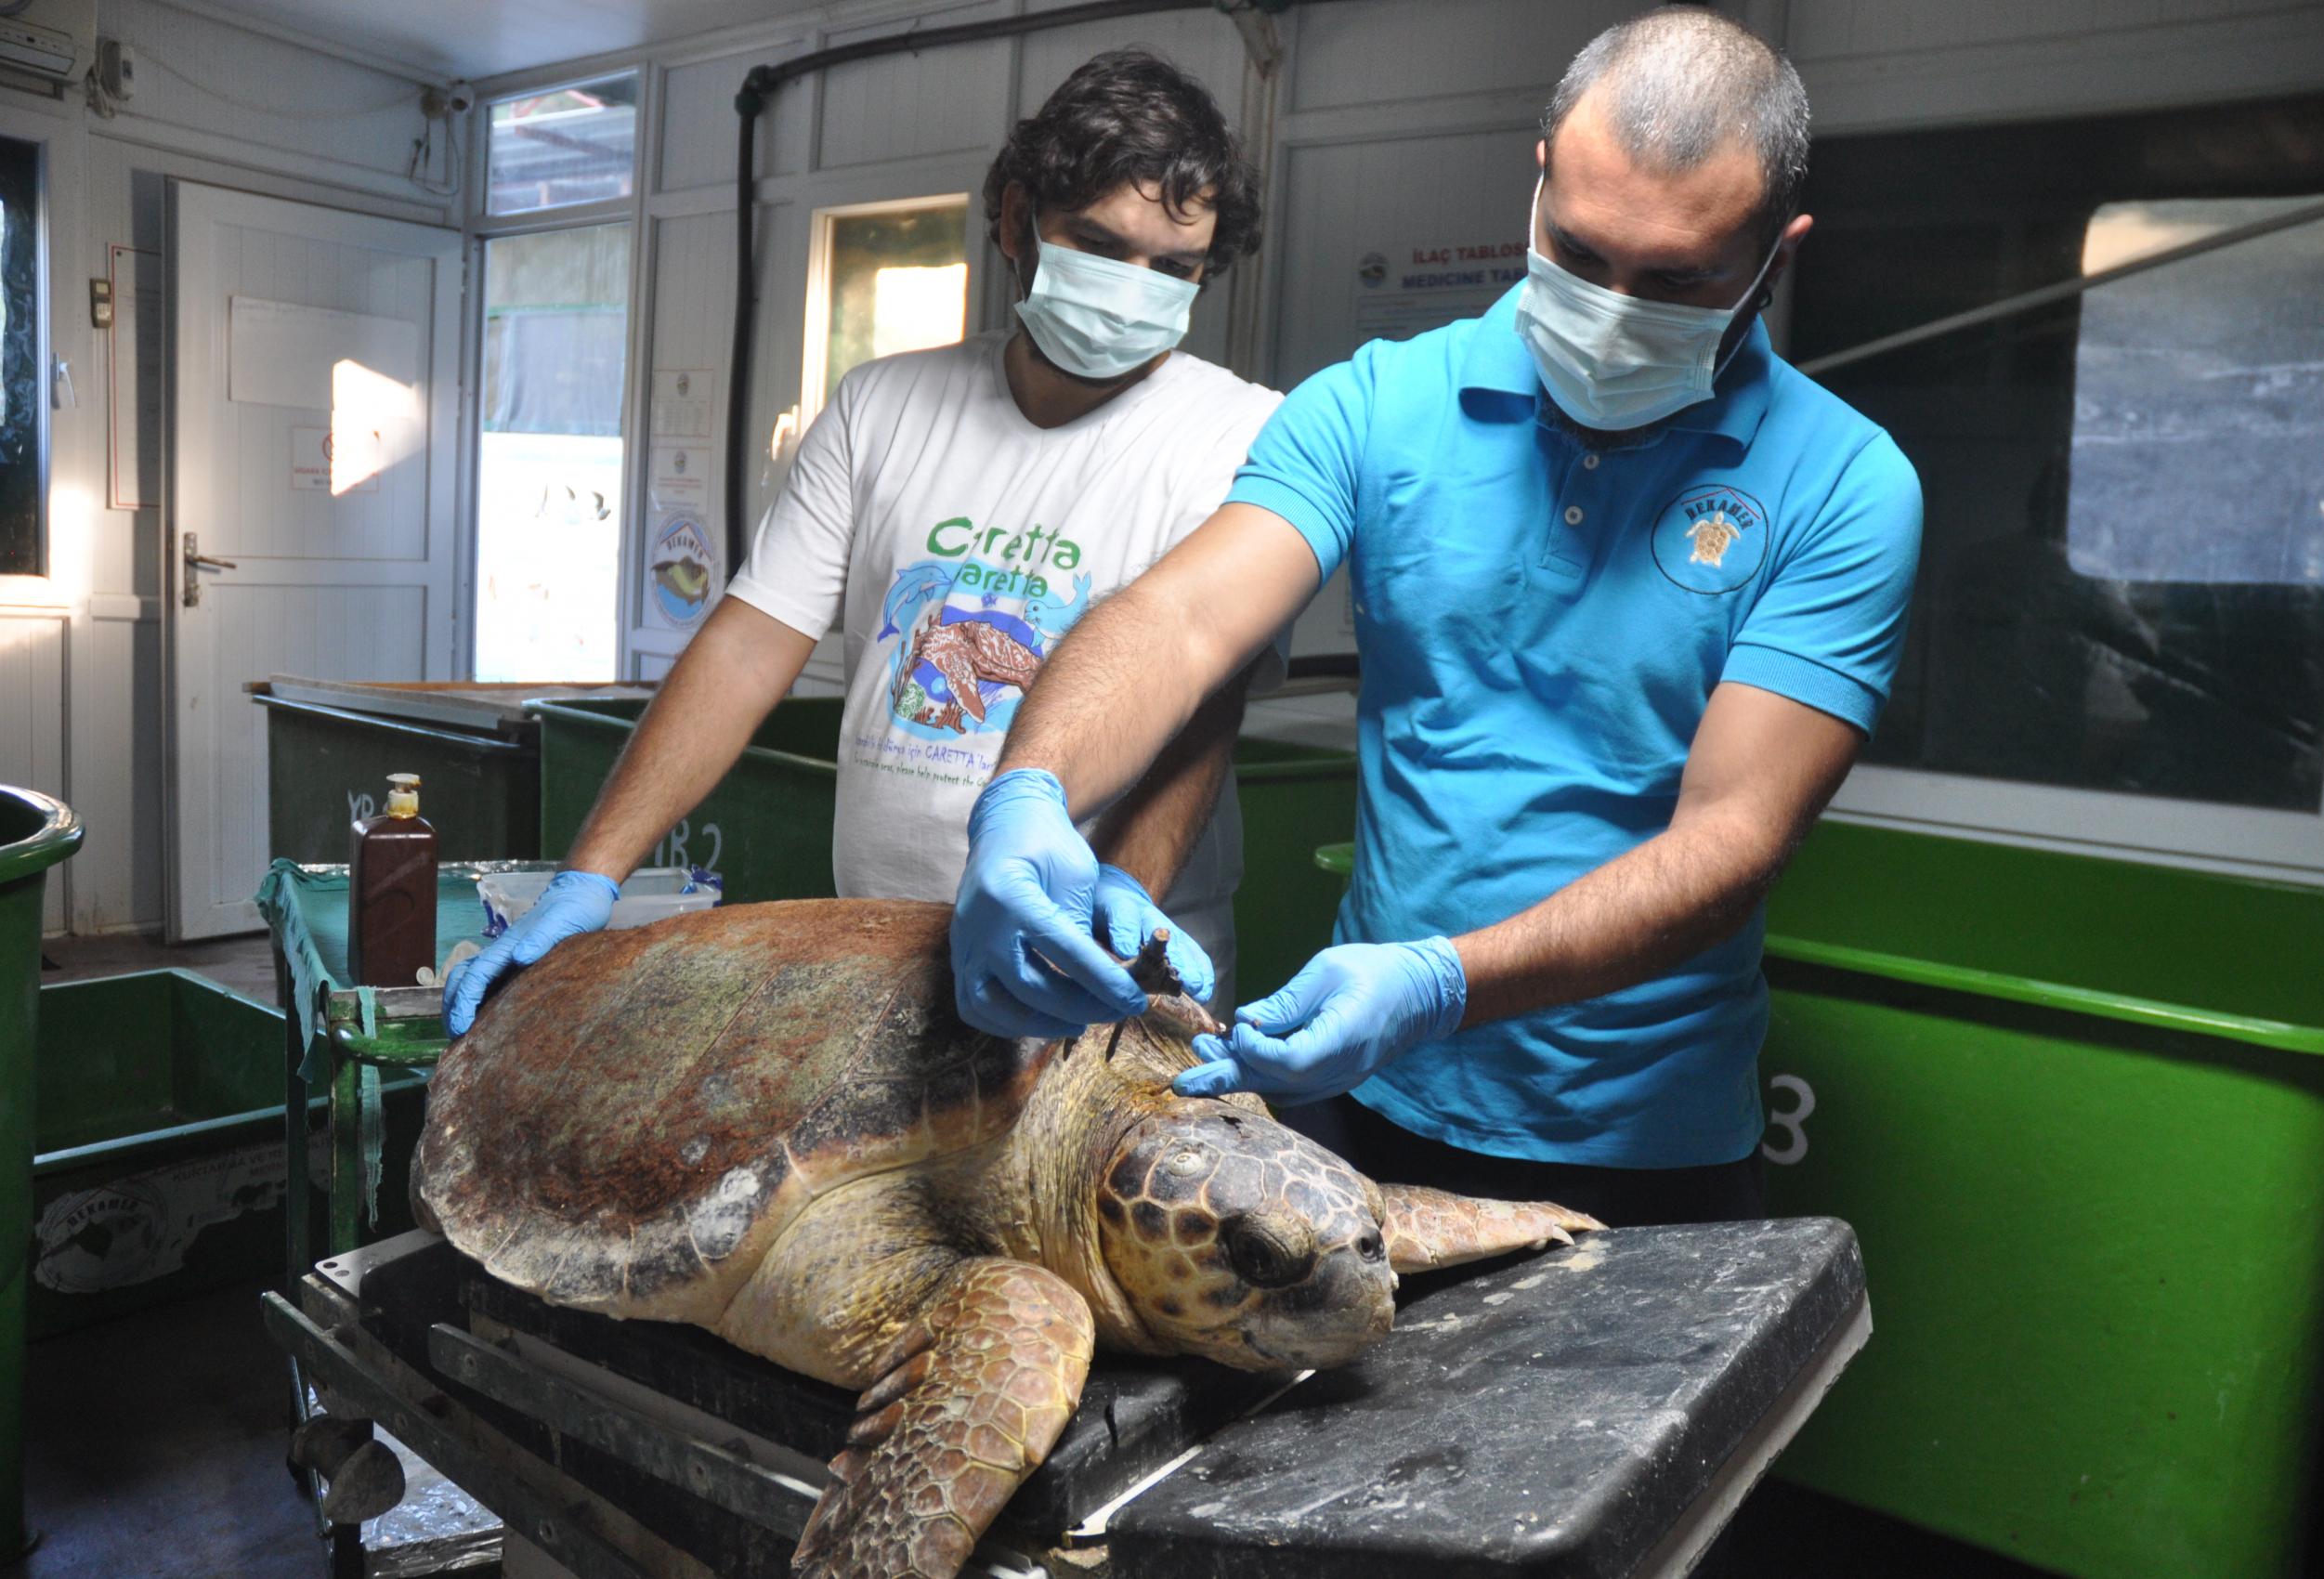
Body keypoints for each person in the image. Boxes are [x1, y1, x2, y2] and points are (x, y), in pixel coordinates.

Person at [944, 8, 1924, 1228]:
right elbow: (1183, 619)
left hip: (1641, 1137)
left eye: (1677, 281)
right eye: (1578, 253)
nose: (1614, 310)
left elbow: (1732, 835)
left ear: (1779, 251)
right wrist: (1028, 792)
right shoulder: (1380, 403)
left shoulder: (1843, 483)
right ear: (1540, 185)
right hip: (1360, 1100)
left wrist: (1442, 982)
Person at [446, 49, 1282, 1037]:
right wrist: (589, 876)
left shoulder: (1246, 433)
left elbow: (1201, 710)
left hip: (1108, 970)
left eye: (1175, 269)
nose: (1136, 289)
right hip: (882, 953)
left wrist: (1106, 916)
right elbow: (748, 643)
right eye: (1101, 248)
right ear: (1017, 220)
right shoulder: (882, 403)